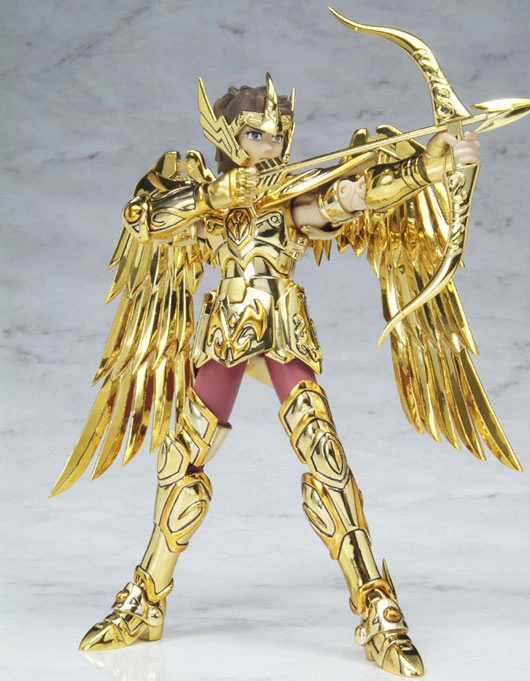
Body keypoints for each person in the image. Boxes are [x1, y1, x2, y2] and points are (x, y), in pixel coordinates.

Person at [51, 73, 497, 678]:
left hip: (282, 325)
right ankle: (146, 599)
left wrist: (425, 168)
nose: (273, 146)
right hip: (224, 330)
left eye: (279, 135)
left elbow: (347, 198)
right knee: (181, 458)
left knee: (323, 452)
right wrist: (213, 195)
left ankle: (376, 606)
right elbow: (144, 219)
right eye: (258, 135)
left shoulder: (288, 199)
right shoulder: (210, 198)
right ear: (227, 138)